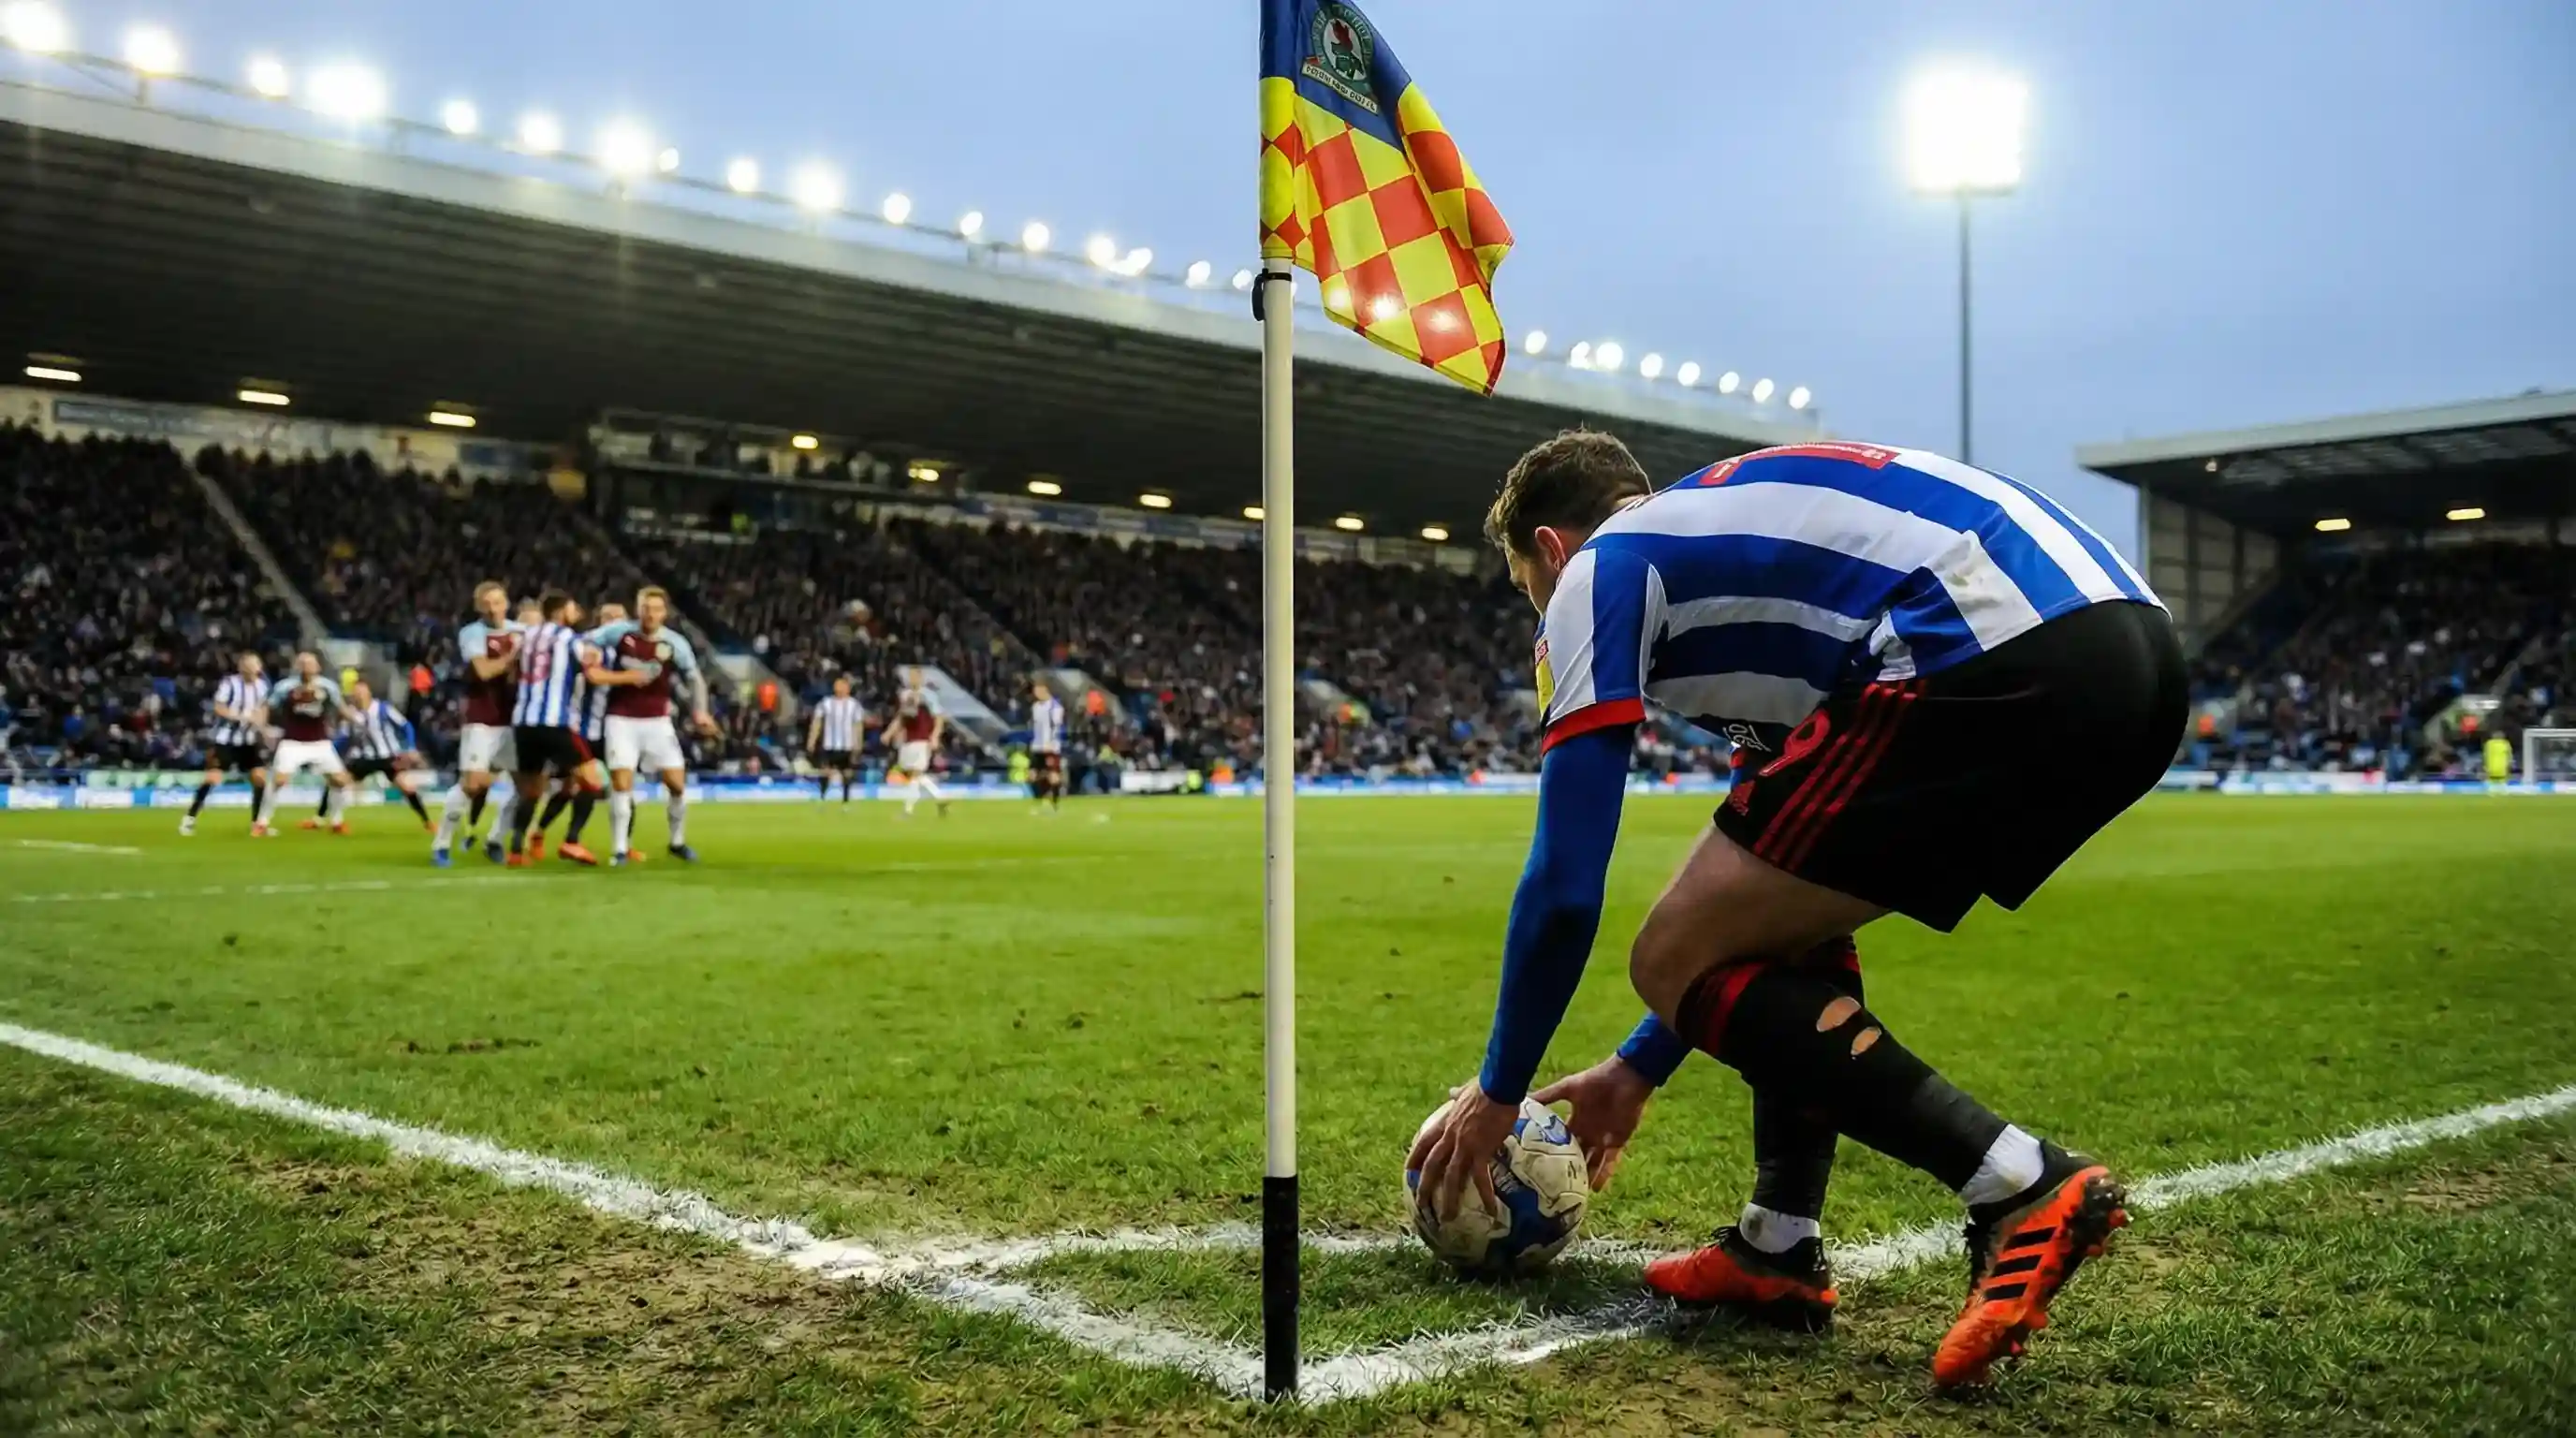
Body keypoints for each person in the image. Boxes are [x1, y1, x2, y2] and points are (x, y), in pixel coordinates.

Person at [1407, 433, 2186, 1387]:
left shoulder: (1599, 570)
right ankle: (1777, 1247)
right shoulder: (1735, 558)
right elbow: (1775, 890)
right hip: (2126, 652)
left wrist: (1498, 1090)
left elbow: (1566, 882)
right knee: (1775, 919)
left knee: (1665, 955)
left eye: (1525, 586)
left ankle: (2020, 1183)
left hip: (1988, 640)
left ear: (1550, 549)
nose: (1539, 612)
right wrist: (1635, 1068)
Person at [589, 587, 716, 865]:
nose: (650, 614)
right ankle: (620, 849)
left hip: (658, 722)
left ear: (664, 612)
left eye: (656, 609)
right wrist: (590, 655)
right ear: (638, 609)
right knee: (622, 783)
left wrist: (701, 711)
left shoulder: (674, 643)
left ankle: (677, 842)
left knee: (676, 783)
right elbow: (585, 642)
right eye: (646, 608)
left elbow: (695, 678)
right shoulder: (619, 632)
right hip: (620, 719)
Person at [501, 591, 606, 867]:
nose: (577, 613)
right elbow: (593, 669)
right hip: (555, 723)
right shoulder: (570, 638)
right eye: (574, 608)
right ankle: (571, 841)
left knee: (531, 790)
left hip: (524, 722)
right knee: (592, 781)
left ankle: (515, 851)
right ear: (562, 611)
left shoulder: (527, 637)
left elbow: (511, 671)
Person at [527, 599, 623, 865]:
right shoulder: (586, 647)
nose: (614, 621)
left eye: (619, 617)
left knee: (619, 785)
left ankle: (622, 846)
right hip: (579, 727)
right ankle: (558, 837)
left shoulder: (624, 653)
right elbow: (593, 677)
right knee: (577, 786)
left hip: (608, 730)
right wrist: (635, 676)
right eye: (607, 616)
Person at [432, 581, 521, 865]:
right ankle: (442, 843)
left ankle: (496, 838)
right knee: (472, 785)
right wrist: (514, 657)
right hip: (481, 718)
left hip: (515, 720)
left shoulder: (521, 631)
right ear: (478, 607)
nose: (493, 609)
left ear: (507, 603)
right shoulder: (473, 633)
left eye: (498, 602)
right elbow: (483, 670)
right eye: (487, 604)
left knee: (528, 788)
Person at [260, 651, 359, 836]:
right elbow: (267, 705)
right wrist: (264, 727)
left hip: (320, 742)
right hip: (292, 742)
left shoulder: (328, 686)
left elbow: (340, 707)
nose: (306, 666)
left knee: (340, 781)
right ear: (297, 666)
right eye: (303, 663)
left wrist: (357, 720)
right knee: (279, 780)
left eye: (310, 663)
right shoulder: (285, 687)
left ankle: (337, 822)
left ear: (318, 667)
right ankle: (262, 822)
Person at [179, 650, 269, 837]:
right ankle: (189, 819)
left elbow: (263, 708)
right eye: (248, 665)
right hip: (224, 739)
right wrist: (240, 717)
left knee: (259, 779)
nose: (252, 669)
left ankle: (257, 824)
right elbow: (219, 708)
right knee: (213, 778)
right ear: (241, 668)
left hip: (249, 741)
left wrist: (261, 723)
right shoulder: (230, 684)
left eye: (255, 665)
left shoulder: (262, 686)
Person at [328, 677, 432, 829]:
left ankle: (427, 822)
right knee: (337, 781)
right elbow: (343, 739)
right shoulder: (351, 715)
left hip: (388, 757)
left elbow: (406, 726)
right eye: (356, 692)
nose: (359, 695)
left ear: (369, 692)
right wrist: (329, 752)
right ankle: (333, 822)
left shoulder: (384, 708)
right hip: (364, 758)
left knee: (407, 787)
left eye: (362, 691)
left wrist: (410, 747)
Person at [890, 674, 949, 818]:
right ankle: (941, 797)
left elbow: (939, 716)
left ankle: (908, 810)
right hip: (907, 740)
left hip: (922, 739)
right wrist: (891, 732)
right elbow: (901, 717)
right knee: (912, 774)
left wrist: (935, 736)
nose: (913, 679)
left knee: (915, 774)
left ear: (921, 679)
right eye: (911, 677)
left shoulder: (928, 696)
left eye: (916, 677)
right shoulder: (904, 695)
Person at [808, 674, 864, 803]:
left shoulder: (854, 705)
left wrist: (858, 744)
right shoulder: (825, 703)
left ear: (848, 688)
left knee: (847, 773)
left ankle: (846, 799)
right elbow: (817, 722)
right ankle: (822, 796)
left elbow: (858, 726)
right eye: (837, 685)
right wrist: (811, 740)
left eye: (842, 685)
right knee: (825, 771)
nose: (839, 688)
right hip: (829, 744)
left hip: (847, 745)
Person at [1027, 681, 1067, 813]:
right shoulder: (1036, 707)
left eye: (1038, 690)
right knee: (1032, 775)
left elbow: (1056, 726)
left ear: (1045, 690)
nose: (1036, 693)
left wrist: (1051, 741)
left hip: (1050, 746)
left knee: (1053, 775)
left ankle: (1054, 804)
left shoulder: (1055, 707)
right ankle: (1043, 798)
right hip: (1037, 746)